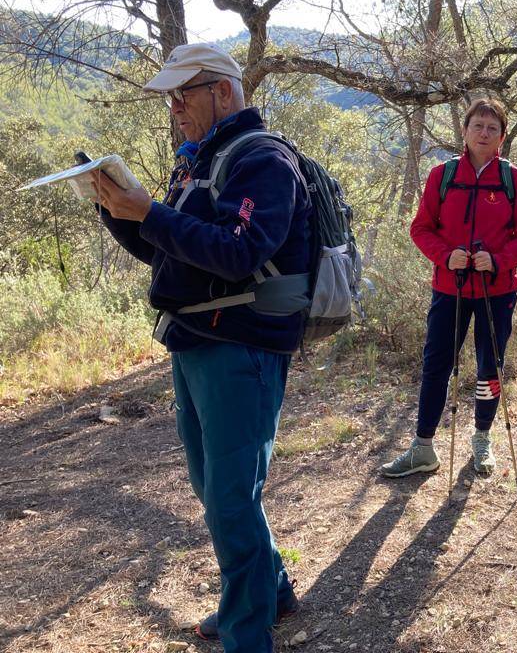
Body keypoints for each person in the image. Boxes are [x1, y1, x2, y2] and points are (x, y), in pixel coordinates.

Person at [91, 43, 309, 653]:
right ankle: (271, 590)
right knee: (211, 484)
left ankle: (248, 633)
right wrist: (121, 213)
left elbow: (241, 252)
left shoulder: (261, 159)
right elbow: (172, 252)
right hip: (194, 339)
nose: (174, 106)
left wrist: (151, 213)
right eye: (170, 95)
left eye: (184, 93)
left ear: (224, 91)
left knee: (230, 496)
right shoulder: (197, 160)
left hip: (241, 344)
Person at [381, 97, 517, 478]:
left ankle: (482, 440)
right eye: (477, 126)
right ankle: (423, 448)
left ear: (501, 136)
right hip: (449, 289)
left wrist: (499, 259)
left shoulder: (513, 180)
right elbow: (420, 228)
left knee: (490, 368)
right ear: (465, 131)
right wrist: (443, 255)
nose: (484, 133)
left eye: (492, 128)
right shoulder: (443, 175)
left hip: (496, 292)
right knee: (436, 366)